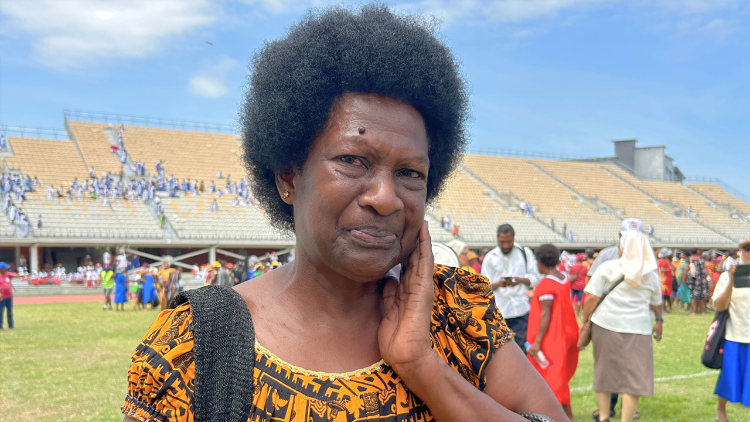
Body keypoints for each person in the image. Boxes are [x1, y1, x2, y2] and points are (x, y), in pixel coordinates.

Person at [121, 5, 568, 422]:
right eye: (354, 160)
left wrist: (423, 366)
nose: (386, 197)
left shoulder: (455, 314)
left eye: (411, 172)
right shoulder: (195, 347)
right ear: (289, 177)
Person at [583, 230, 662, 422]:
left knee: (603, 371)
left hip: (605, 324)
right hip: (638, 329)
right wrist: (659, 321)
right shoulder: (650, 275)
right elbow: (656, 302)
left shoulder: (607, 268)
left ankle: (603, 417)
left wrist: (585, 320)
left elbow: (592, 297)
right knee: (634, 380)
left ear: (623, 248)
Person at [527, 245, 579, 421]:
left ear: (540, 262)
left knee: (554, 380)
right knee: (558, 377)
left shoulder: (547, 283)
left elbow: (546, 314)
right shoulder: (563, 277)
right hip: (566, 331)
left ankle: (566, 417)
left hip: (552, 338)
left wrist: (538, 342)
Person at [481, 223, 541, 351]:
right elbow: (483, 286)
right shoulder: (490, 257)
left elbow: (535, 278)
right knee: (499, 350)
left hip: (521, 308)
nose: (506, 245)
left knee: (524, 346)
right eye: (502, 242)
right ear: (497, 239)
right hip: (499, 310)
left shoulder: (525, 253)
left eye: (509, 241)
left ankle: (523, 370)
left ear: (513, 238)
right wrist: (498, 284)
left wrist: (519, 280)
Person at [713, 237, 750, 422]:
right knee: (729, 379)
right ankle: (721, 412)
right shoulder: (727, 276)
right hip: (734, 335)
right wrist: (731, 282)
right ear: (740, 252)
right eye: (747, 248)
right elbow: (719, 306)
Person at [688, 248, 709, 315]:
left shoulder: (690, 259)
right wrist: (707, 277)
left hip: (694, 279)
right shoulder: (701, 260)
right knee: (701, 296)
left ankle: (693, 311)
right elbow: (704, 270)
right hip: (701, 279)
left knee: (694, 296)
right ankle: (702, 311)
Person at [568, 253, 587, 318]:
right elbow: (584, 276)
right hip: (581, 286)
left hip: (573, 285)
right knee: (579, 300)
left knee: (570, 300)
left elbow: (570, 275)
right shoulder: (584, 268)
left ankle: (569, 313)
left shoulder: (572, 267)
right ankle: (577, 315)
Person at [0, 262, 17, 329]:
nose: (6, 269)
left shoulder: (7, 274)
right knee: (1, 311)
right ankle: (0, 325)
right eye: (5, 268)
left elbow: (15, 275)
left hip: (9, 296)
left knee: (10, 311)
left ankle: (11, 324)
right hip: (1, 297)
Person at [657, 248, 674, 313]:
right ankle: (663, 309)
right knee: (664, 296)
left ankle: (665, 309)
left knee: (666, 296)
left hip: (665, 281)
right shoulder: (663, 261)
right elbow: (662, 270)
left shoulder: (663, 260)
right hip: (664, 281)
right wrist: (671, 269)